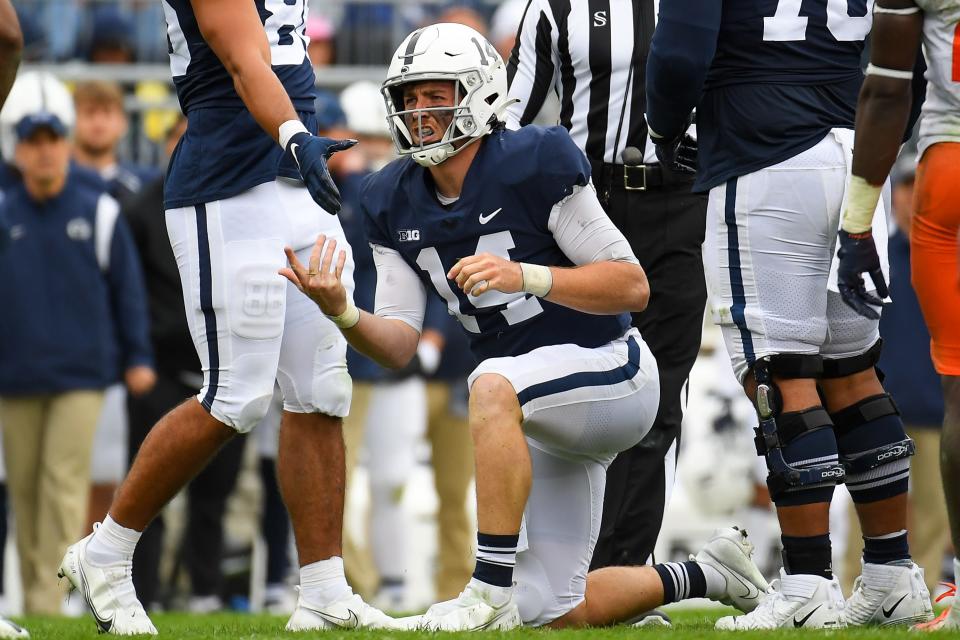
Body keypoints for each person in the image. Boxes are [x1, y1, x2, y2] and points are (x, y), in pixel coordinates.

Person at [284, 23, 770, 631]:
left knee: (490, 382)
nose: (419, 111)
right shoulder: (392, 198)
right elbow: (400, 344)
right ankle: (706, 574)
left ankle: (486, 589)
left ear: (481, 92)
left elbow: (630, 284)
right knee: (556, 612)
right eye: (409, 97)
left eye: (435, 95)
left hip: (610, 370)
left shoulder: (534, 158)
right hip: (540, 412)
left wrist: (528, 276)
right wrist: (344, 312)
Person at [57, 0, 394, 635]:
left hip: (296, 180)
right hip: (229, 186)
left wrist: (300, 145)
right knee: (235, 396)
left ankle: (323, 589)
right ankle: (104, 555)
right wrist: (296, 137)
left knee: (322, 389)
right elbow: (243, 59)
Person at [644, 0, 933, 629]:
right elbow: (913, 52)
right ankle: (891, 573)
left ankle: (806, 579)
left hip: (762, 154)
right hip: (858, 152)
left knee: (780, 372)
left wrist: (665, 129)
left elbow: (681, 49)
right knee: (853, 370)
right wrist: (879, 140)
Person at [506, 0, 708, 578]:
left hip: (680, 198)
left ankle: (621, 572)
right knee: (565, 383)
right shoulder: (554, 6)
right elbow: (508, 117)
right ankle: (552, 572)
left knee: (662, 395)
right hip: (583, 205)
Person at [0, 71, 154, 617]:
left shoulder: (99, 209)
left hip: (82, 376)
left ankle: (50, 602)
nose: (44, 154)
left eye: (52, 142)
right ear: (17, 151)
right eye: (33, 143)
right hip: (14, 377)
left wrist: (137, 356)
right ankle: (34, 599)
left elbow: (127, 291)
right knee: (21, 490)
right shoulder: (3, 212)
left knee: (63, 486)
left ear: (65, 146)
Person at [833, 0, 960, 629]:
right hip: (903, 409)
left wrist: (858, 221)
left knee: (957, 399)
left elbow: (886, 90)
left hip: (949, 156)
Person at [840, 161, 949, 600]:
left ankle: (919, 599)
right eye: (904, 189)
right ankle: (852, 590)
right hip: (879, 404)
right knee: (866, 505)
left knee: (932, 514)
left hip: (939, 411)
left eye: (919, 190)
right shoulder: (877, 256)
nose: (910, 198)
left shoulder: (949, 256)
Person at [72, 80, 161, 204]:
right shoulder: (56, 182)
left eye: (107, 112)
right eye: (89, 112)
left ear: (123, 122)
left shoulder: (147, 185)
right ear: (72, 119)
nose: (98, 123)